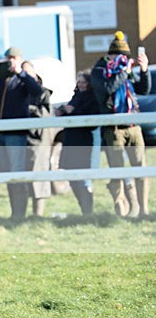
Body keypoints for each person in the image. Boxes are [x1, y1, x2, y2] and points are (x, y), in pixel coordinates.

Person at [0, 46, 42, 219]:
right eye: (7, 59)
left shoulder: (23, 79)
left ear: (19, 59)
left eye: (13, 58)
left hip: (16, 132)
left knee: (16, 172)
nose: (10, 62)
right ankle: (14, 212)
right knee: (6, 173)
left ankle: (19, 213)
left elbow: (36, 91)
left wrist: (21, 73)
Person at [91, 31, 150, 218]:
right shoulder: (100, 70)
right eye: (120, 56)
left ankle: (143, 209)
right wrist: (123, 72)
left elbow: (143, 89)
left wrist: (144, 70)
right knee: (117, 170)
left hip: (133, 125)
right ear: (111, 55)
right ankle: (123, 208)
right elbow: (108, 88)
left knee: (140, 168)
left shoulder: (126, 70)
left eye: (126, 56)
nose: (124, 59)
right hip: (114, 128)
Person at [57, 71, 101, 215]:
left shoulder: (93, 98)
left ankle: (88, 212)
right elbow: (69, 111)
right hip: (70, 141)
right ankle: (83, 209)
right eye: (79, 81)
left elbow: (92, 120)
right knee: (71, 177)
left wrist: (73, 112)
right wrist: (62, 111)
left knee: (83, 178)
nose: (81, 84)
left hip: (83, 142)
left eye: (84, 82)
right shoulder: (75, 96)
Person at [21, 61, 55, 217]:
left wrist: (29, 109)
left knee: (38, 175)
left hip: (38, 139)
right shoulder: (17, 92)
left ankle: (38, 214)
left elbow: (46, 114)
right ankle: (20, 214)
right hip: (21, 139)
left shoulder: (43, 93)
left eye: (28, 73)